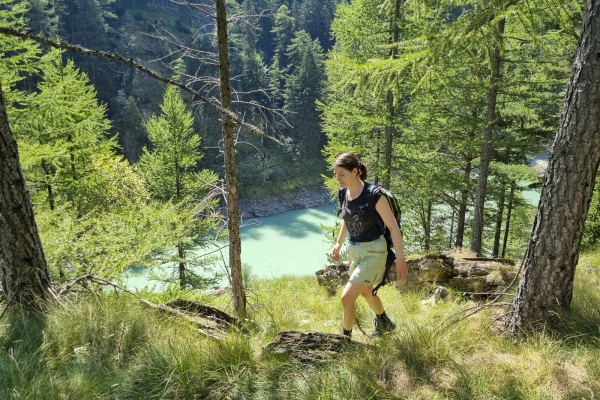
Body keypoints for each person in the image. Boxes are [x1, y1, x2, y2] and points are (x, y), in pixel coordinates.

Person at [331, 152, 409, 338]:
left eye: (341, 173)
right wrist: (338, 242)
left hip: (374, 251)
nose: (338, 178)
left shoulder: (373, 195)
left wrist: (400, 259)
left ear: (355, 171)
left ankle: (345, 339)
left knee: (347, 297)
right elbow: (347, 218)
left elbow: (393, 227)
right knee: (366, 292)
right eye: (336, 173)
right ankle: (385, 322)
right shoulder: (344, 192)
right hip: (355, 250)